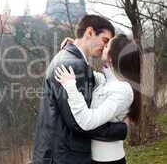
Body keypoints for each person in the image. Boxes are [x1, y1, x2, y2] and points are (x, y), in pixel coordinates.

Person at [32, 15, 128, 164]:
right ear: (89, 33)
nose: (106, 47)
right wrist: (120, 129)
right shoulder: (73, 65)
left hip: (58, 153)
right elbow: (79, 123)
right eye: (105, 40)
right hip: (65, 157)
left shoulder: (68, 59)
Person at [55, 34, 141, 164]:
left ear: (112, 57)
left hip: (109, 161)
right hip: (95, 159)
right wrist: (78, 48)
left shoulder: (122, 90)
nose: (103, 48)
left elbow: (87, 121)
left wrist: (70, 86)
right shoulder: (106, 81)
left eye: (107, 47)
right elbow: (86, 70)